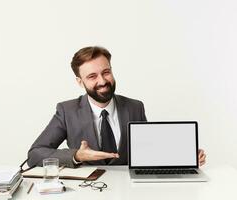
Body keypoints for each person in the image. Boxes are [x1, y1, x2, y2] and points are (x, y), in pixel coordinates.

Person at [27, 46, 206, 168]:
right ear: (80, 82)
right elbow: (35, 154)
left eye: (106, 72)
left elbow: (147, 151)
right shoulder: (67, 111)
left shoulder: (135, 107)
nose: (103, 81)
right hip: (85, 191)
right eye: (92, 76)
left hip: (128, 190)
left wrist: (184, 158)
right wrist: (77, 155)